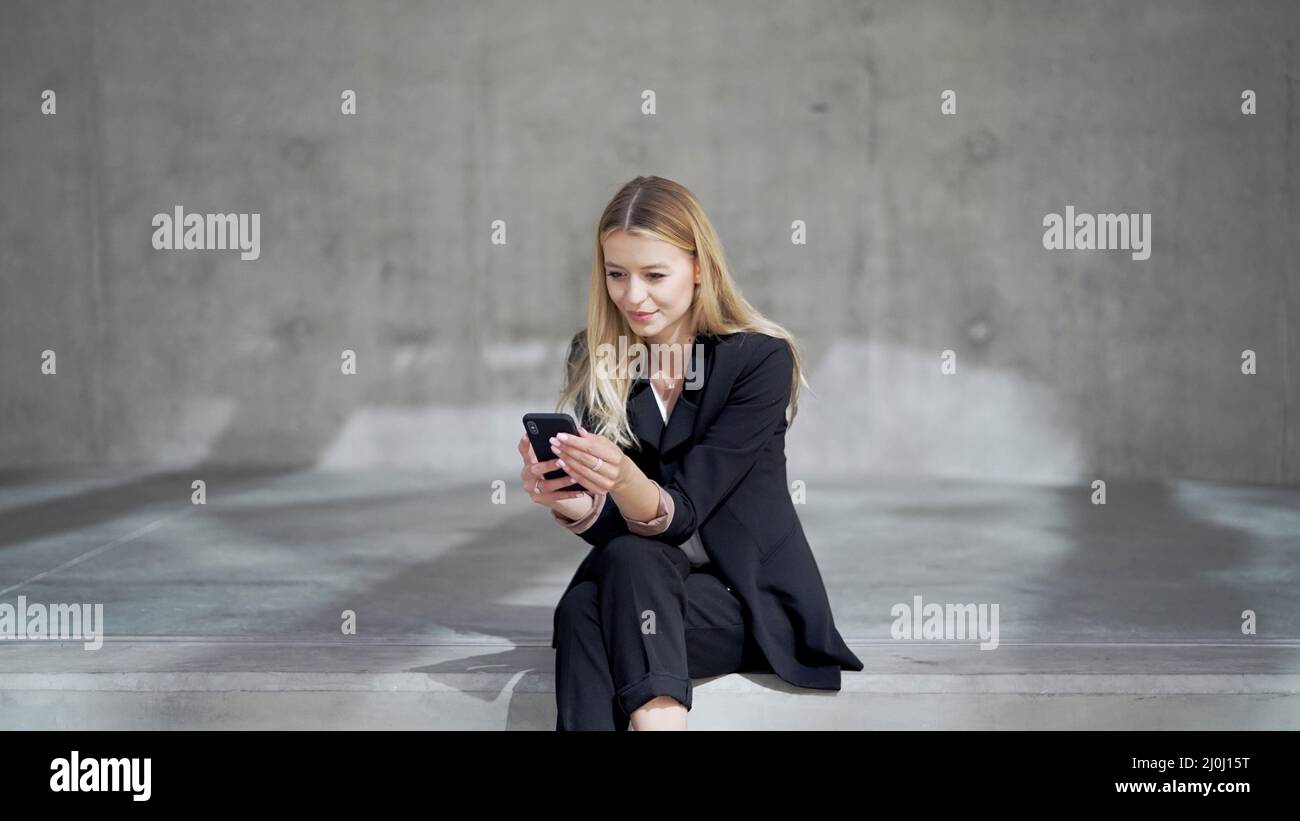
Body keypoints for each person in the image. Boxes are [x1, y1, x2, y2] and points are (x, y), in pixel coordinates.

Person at [516, 175, 862, 731]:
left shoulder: (757, 361)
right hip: (647, 593)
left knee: (598, 599)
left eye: (655, 274)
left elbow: (683, 511)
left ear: (699, 267)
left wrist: (623, 478)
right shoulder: (597, 355)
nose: (632, 295)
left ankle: (660, 721)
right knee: (598, 591)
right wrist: (576, 505)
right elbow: (615, 528)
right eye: (616, 274)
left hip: (742, 601)